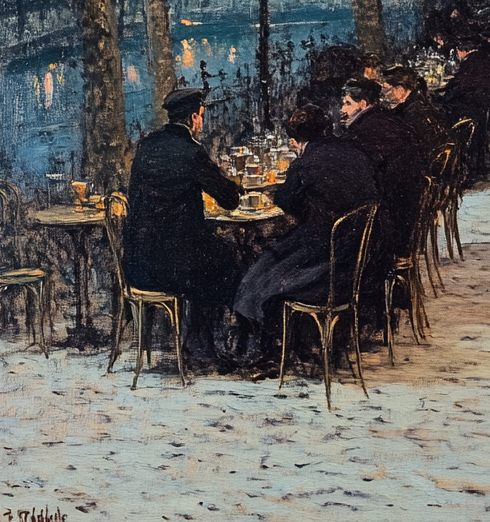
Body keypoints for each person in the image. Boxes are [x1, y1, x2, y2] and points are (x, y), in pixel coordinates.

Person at [233, 105, 377, 355]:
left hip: (331, 261)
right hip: (365, 254)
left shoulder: (306, 162)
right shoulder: (355, 152)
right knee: (276, 256)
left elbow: (285, 201)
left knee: (262, 269)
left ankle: (265, 347)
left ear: (294, 141)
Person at [124, 87, 241, 365]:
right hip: (171, 265)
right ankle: (201, 342)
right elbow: (229, 199)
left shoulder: (147, 145)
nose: (201, 122)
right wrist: (225, 176)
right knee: (227, 259)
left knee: (208, 252)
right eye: (201, 116)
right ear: (193, 118)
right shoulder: (192, 152)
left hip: (138, 260)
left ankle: (195, 339)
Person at [341, 77, 425, 264]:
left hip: (390, 220)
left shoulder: (363, 132)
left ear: (363, 104)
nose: (342, 110)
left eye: (347, 103)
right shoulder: (390, 119)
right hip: (406, 211)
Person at [381, 65, 447, 168]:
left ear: (400, 90)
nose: (383, 93)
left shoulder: (413, 112)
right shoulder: (420, 100)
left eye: (386, 89)